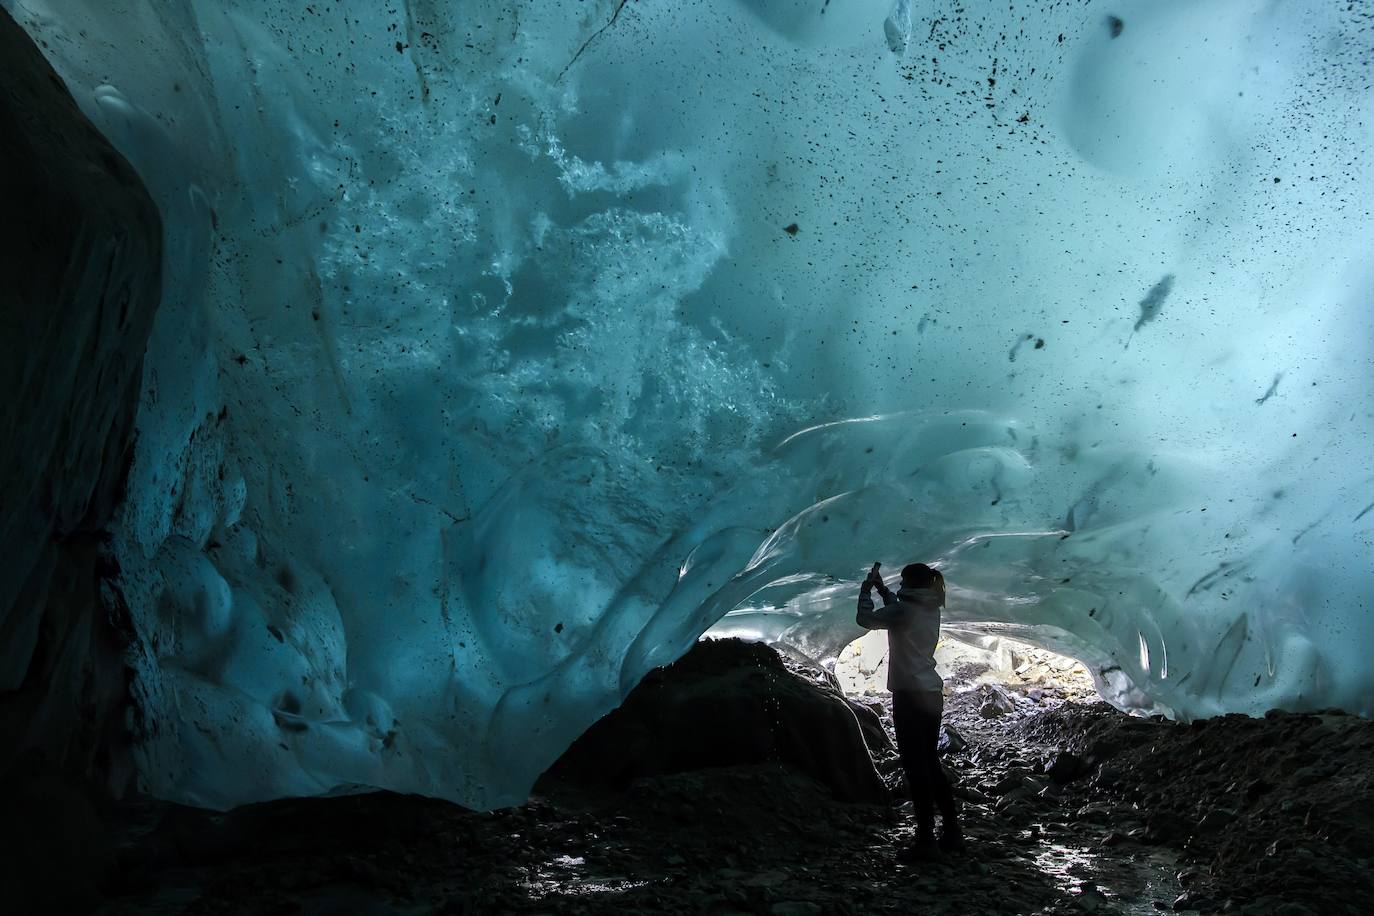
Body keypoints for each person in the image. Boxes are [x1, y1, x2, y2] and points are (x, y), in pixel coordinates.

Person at [857, 561, 963, 860]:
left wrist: (866, 591)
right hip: (930, 693)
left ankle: (926, 841)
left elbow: (867, 619)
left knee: (915, 766)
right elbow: (900, 608)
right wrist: (884, 591)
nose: (900, 587)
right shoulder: (930, 606)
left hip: (909, 695)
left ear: (910, 584)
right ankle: (952, 833)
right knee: (930, 762)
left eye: (902, 583)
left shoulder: (904, 610)